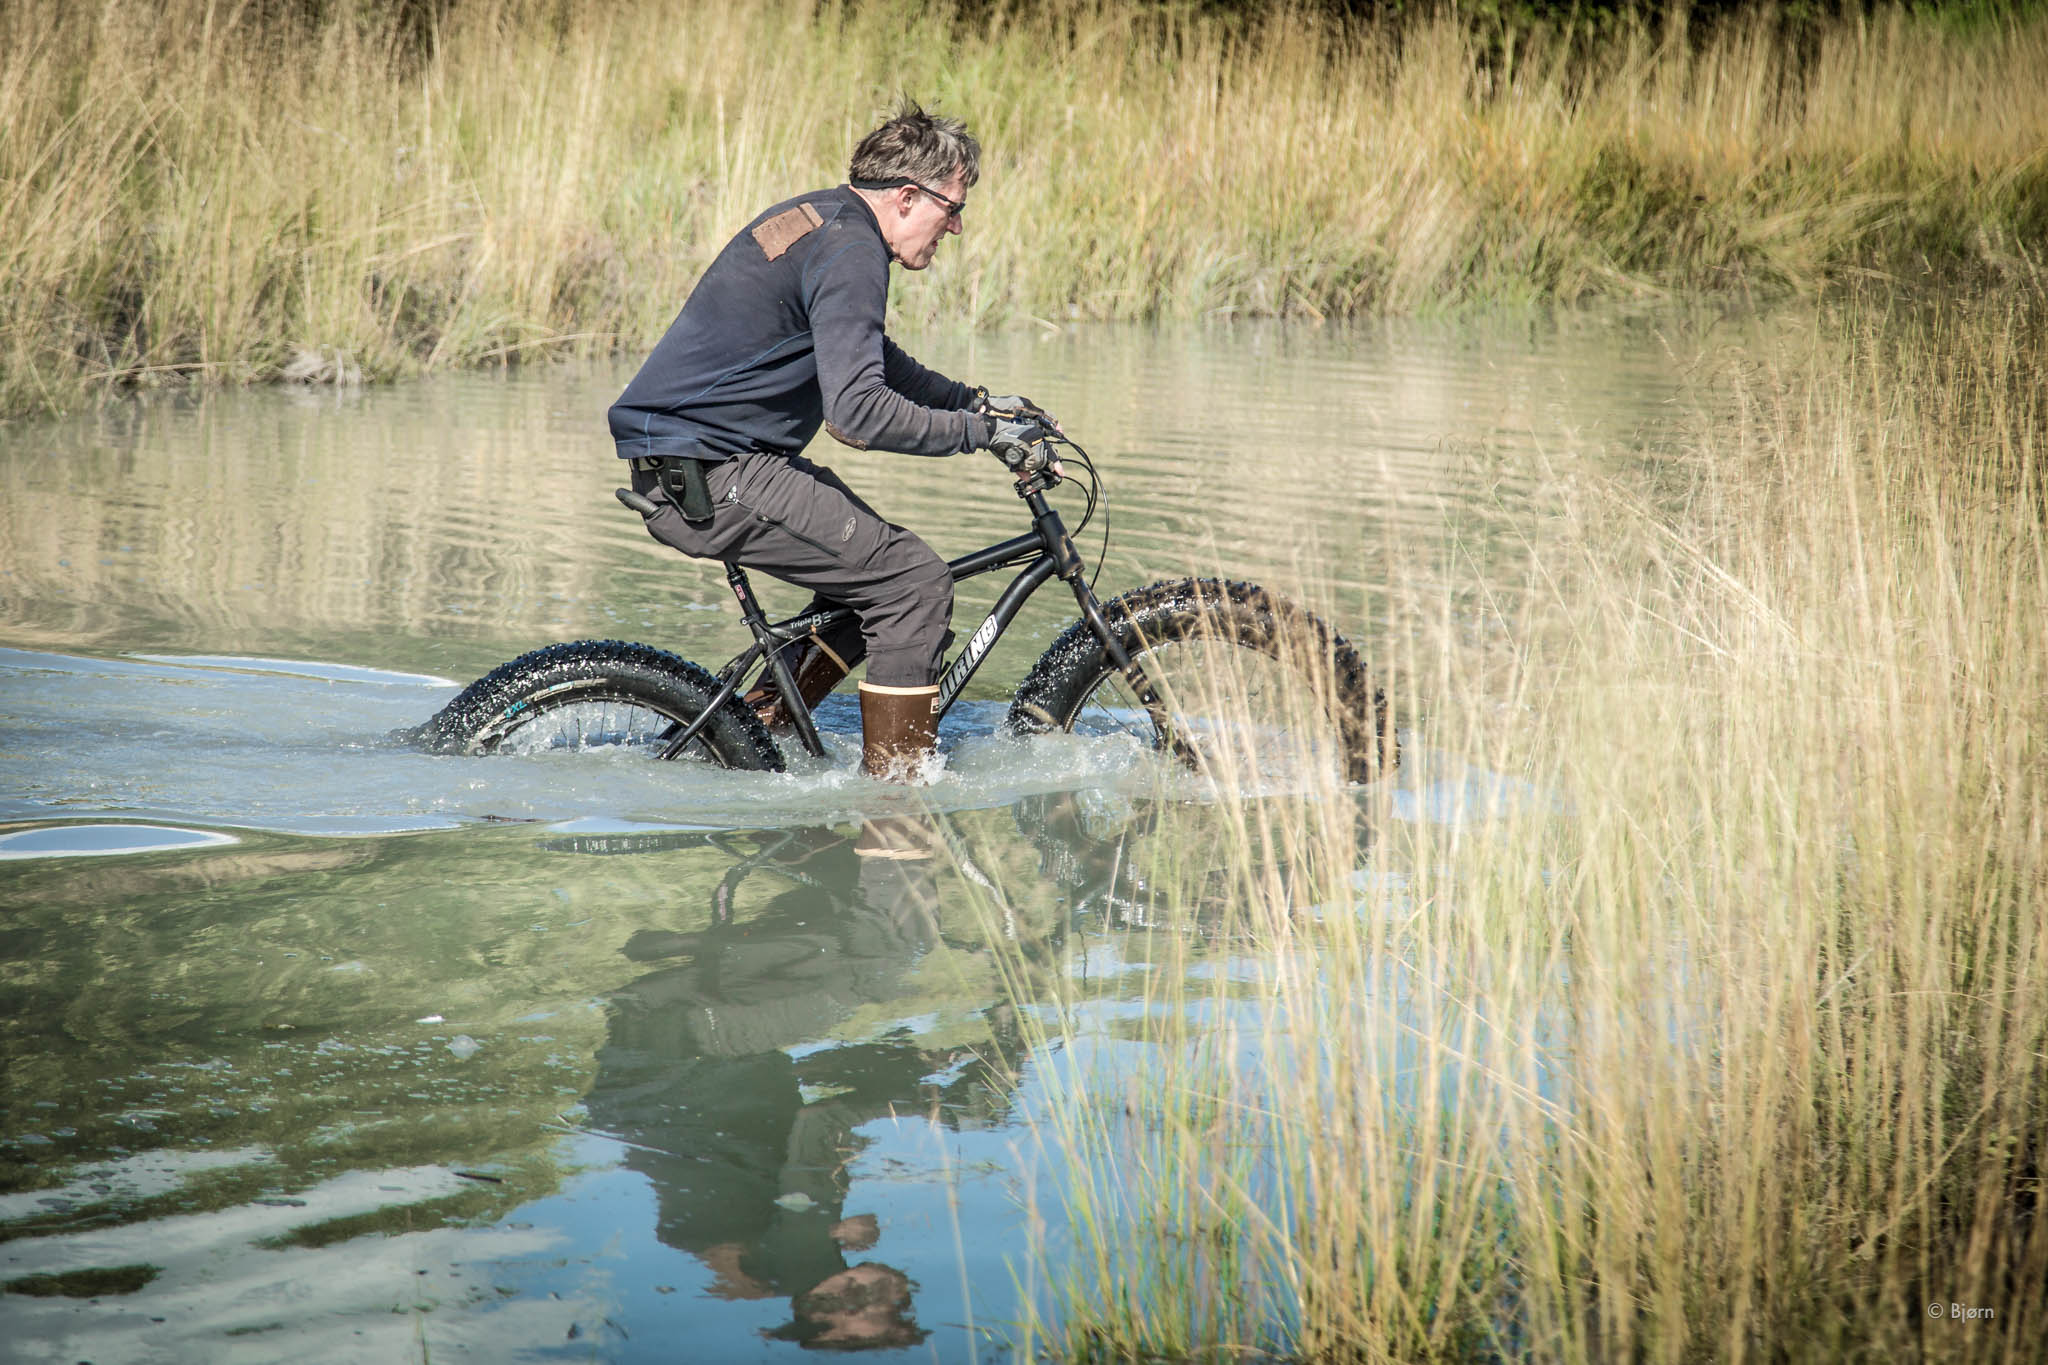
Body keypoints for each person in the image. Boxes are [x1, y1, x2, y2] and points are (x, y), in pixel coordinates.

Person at [607, 100, 1052, 781]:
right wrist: (981, 434)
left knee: (865, 587)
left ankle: (755, 732)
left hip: (701, 460)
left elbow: (875, 359)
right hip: (710, 471)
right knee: (913, 583)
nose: (957, 226)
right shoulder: (851, 249)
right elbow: (858, 413)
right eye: (952, 207)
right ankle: (897, 801)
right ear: (907, 197)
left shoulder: (831, 223)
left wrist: (976, 402)